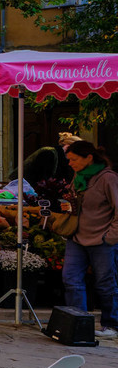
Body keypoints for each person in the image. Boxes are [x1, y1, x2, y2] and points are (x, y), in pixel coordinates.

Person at [59, 139, 118, 334]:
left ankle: (112, 324)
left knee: (105, 282)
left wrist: (110, 237)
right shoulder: (79, 176)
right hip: (77, 237)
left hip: (102, 239)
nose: (70, 163)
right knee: (71, 279)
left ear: (89, 158)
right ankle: (79, 324)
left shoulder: (108, 178)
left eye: (74, 159)